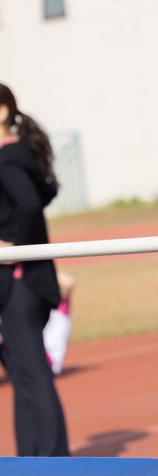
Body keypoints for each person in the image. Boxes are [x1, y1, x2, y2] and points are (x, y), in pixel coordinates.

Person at [0, 83, 70, 455]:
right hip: (23, 281)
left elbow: (29, 204)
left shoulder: (9, 158)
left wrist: (14, 248)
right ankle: (31, 456)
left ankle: (55, 458)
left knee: (31, 370)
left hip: (20, 281)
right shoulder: (19, 154)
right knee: (20, 368)